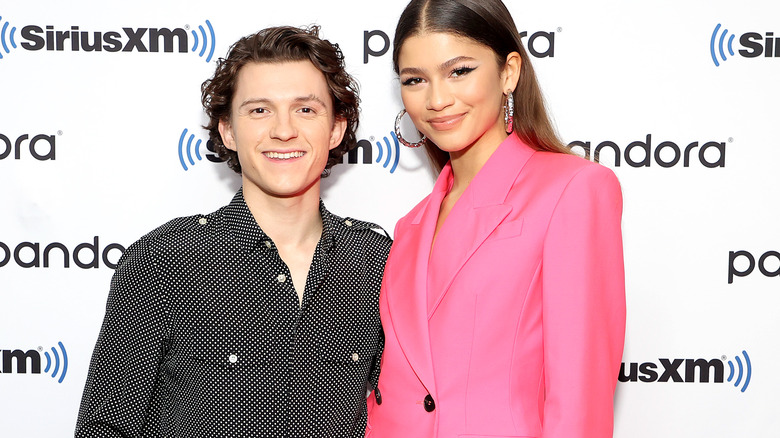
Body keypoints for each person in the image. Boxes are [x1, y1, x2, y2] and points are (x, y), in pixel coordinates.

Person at [75, 25, 391, 438]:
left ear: (335, 129)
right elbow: (105, 427)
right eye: (259, 110)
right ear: (227, 130)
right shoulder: (164, 260)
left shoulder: (376, 261)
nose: (283, 130)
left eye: (306, 109)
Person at [365, 1, 626, 437]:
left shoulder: (573, 189)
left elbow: (579, 403)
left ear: (508, 72)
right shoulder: (410, 226)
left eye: (459, 71)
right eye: (415, 80)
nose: (437, 99)